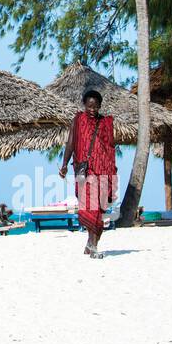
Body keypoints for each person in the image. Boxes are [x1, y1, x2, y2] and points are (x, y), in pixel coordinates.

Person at [58, 88, 118, 259]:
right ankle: (92, 246)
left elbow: (110, 148)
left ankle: (90, 244)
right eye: (89, 106)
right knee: (91, 207)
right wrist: (64, 164)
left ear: (100, 106)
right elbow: (71, 143)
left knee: (98, 208)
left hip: (103, 171)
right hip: (85, 171)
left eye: (96, 107)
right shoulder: (78, 120)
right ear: (84, 104)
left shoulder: (106, 123)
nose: (92, 110)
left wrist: (112, 169)